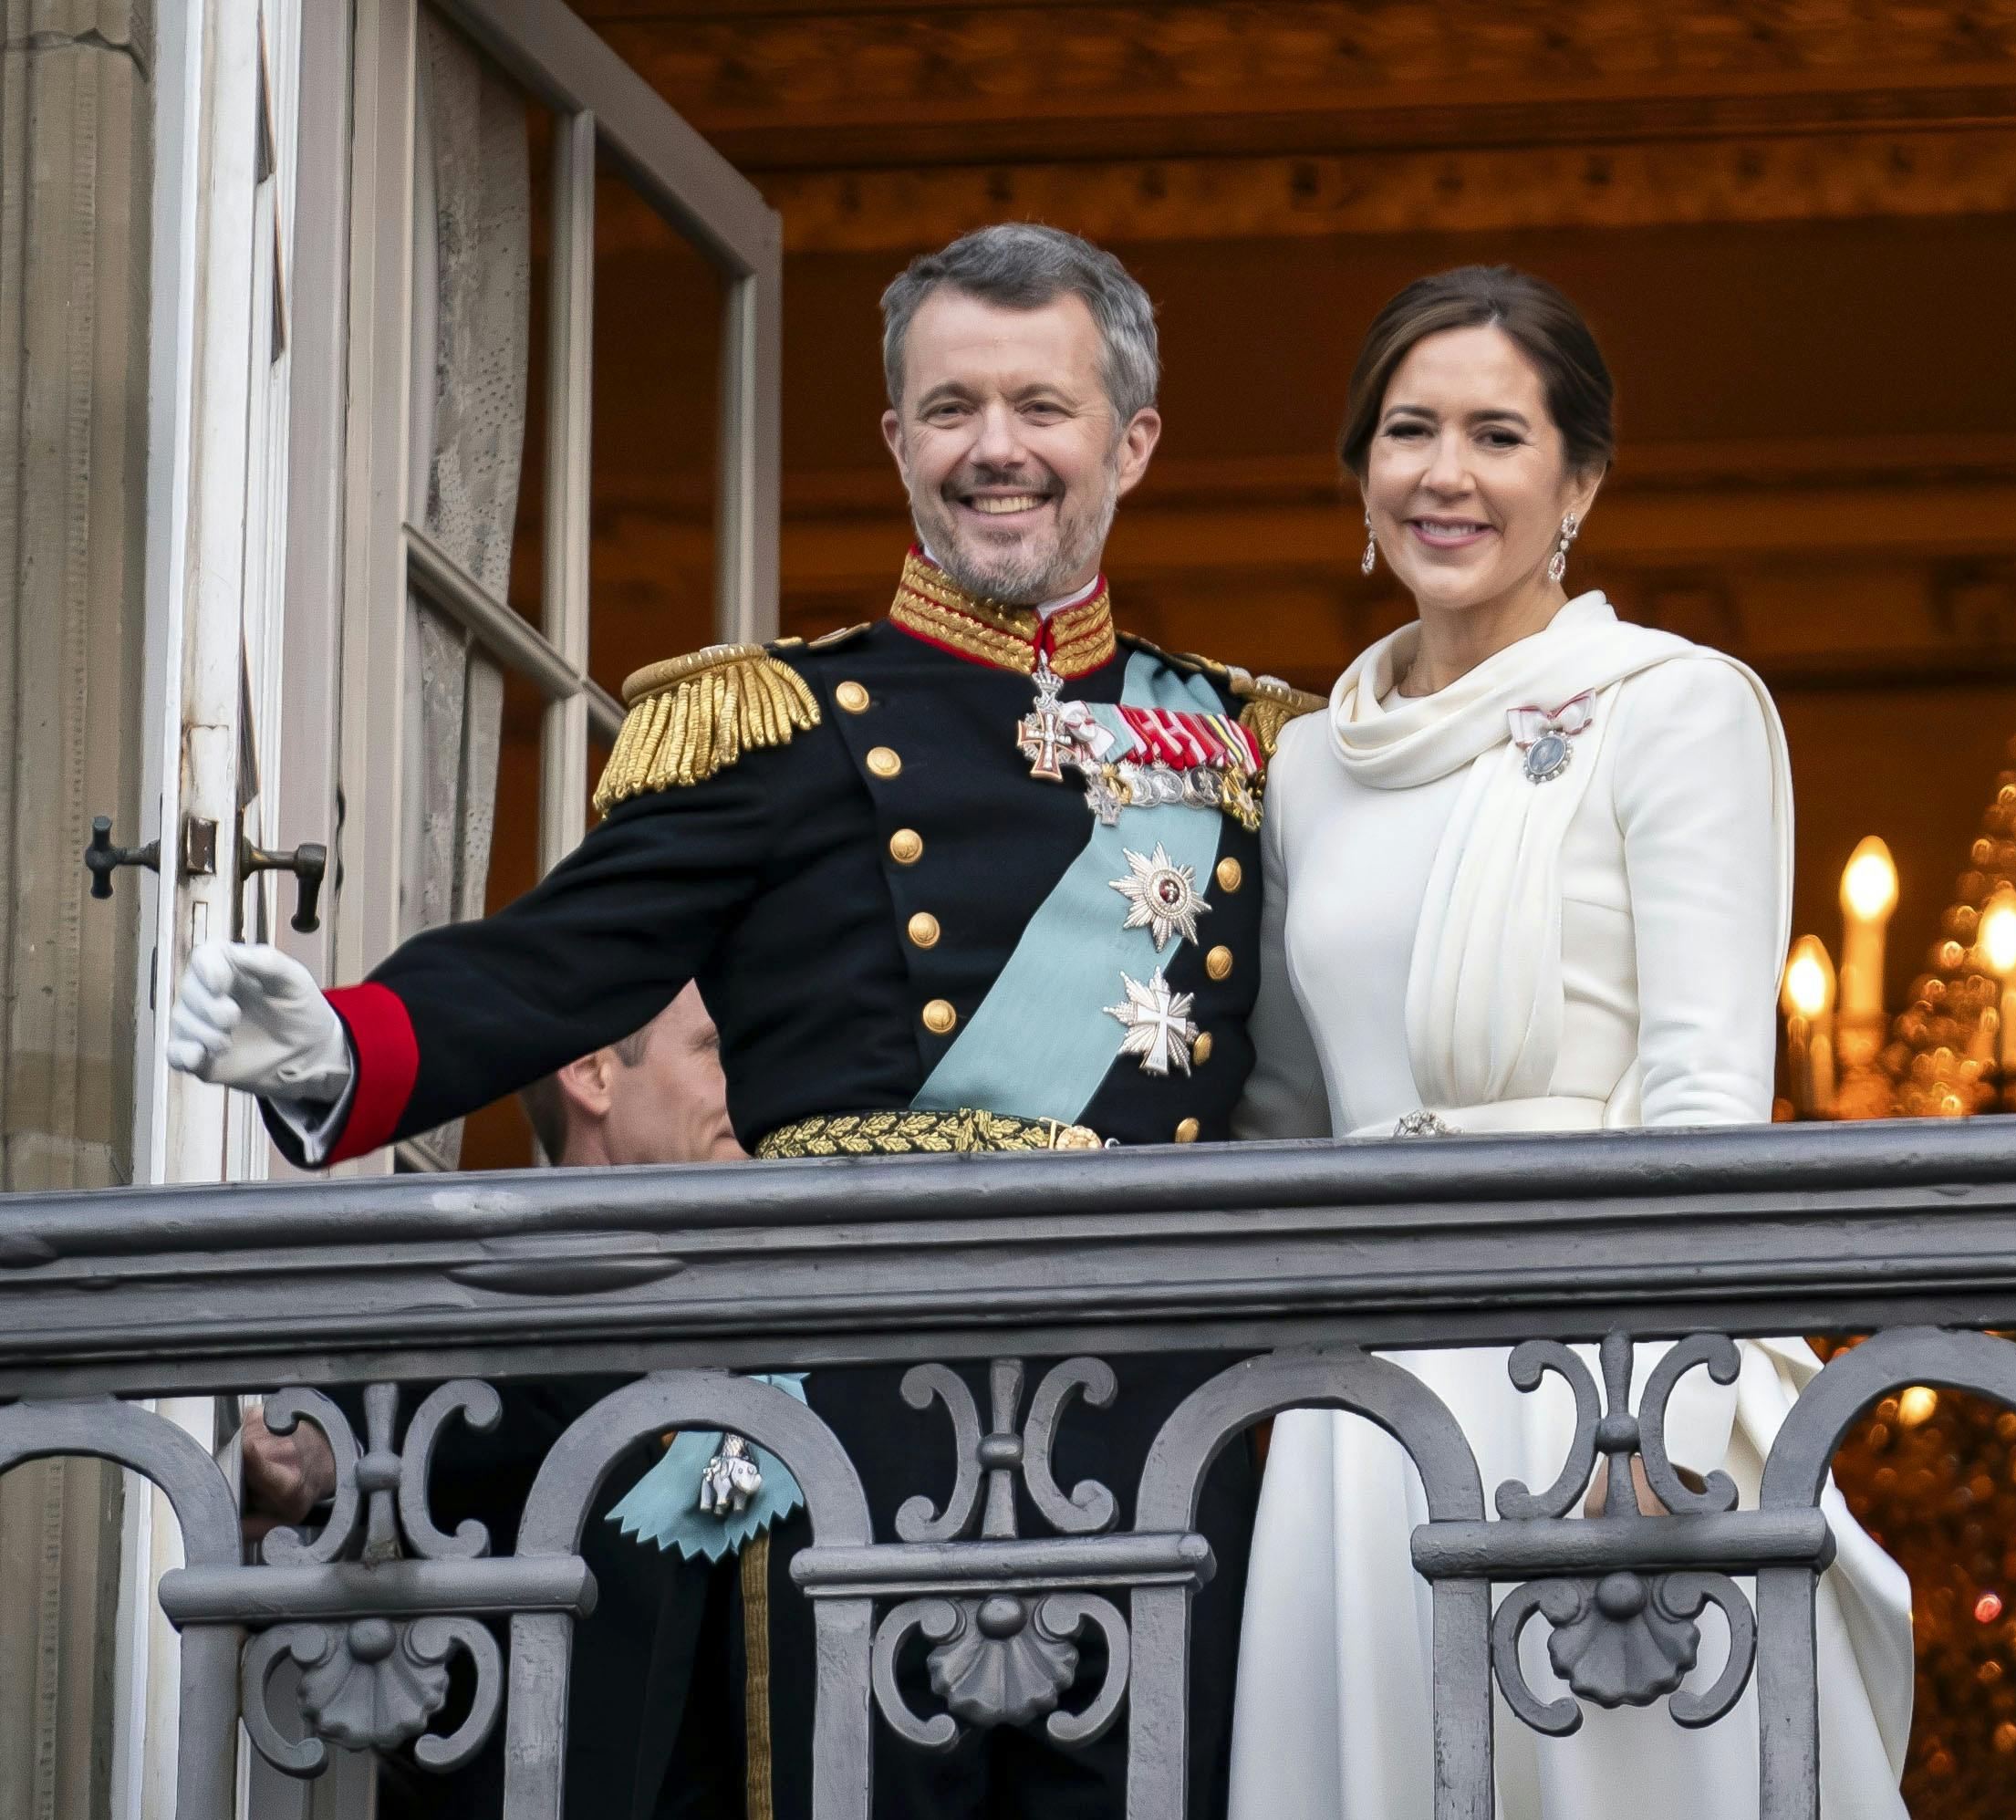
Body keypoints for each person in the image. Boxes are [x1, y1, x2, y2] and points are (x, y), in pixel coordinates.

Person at [177, 222, 1315, 1818]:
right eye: (949, 408)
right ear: (894, 443)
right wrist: (347, 1046)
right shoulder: (780, 724)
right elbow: (562, 958)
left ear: (1127, 441)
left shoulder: (1249, 753)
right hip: (862, 1432)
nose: (995, 450)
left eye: (1040, 409)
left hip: (1153, 1424)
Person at [1227, 266, 1914, 1819]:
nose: (1442, 475)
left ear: (1577, 480)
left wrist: (1649, 1417)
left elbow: (1701, 1091)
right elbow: (1280, 1109)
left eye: (1493, 433)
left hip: (1591, 1381)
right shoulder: (1311, 765)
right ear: (1359, 472)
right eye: (1406, 431)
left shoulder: (1671, 708)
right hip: (1361, 1397)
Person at [240, 983, 750, 1818]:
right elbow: (411, 1403)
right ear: (590, 1071)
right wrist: (307, 1455)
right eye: (713, 1049)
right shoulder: (487, 1285)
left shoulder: (766, 1309)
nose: (749, 1086)